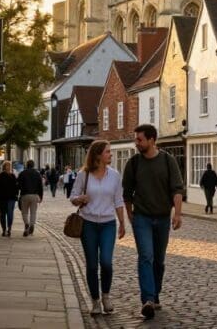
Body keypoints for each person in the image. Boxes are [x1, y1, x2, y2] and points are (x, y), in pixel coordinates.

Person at [123, 124, 184, 320]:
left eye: (140, 139)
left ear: (151, 140)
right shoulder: (133, 163)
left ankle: (155, 294)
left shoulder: (168, 161)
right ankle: (147, 300)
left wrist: (177, 214)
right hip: (142, 218)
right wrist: (130, 215)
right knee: (146, 257)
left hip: (163, 218)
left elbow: (177, 189)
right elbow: (126, 193)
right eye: (136, 139)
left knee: (159, 261)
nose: (136, 142)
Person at [71, 141, 126, 316]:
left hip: (108, 224)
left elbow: (118, 200)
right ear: (97, 155)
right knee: (92, 265)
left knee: (106, 262)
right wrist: (80, 198)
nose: (110, 154)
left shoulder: (115, 175)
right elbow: (72, 197)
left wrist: (122, 223)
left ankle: (106, 296)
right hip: (88, 224)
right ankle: (95, 301)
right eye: (108, 152)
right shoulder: (84, 175)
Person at [17, 159, 44, 236]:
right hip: (34, 195)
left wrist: (19, 191)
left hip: (25, 195)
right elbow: (40, 186)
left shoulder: (22, 173)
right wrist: (41, 196)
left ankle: (26, 223)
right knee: (33, 212)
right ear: (33, 165)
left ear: (26, 165)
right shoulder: (37, 174)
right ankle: (32, 225)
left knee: (24, 212)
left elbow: (18, 185)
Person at [0, 160, 19, 236]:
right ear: (4, 167)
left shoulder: (13, 176)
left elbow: (16, 187)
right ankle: (4, 229)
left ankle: (9, 228)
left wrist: (16, 194)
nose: (8, 167)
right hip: (2, 198)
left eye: (9, 166)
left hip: (11, 198)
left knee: (10, 214)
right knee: (2, 214)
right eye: (7, 166)